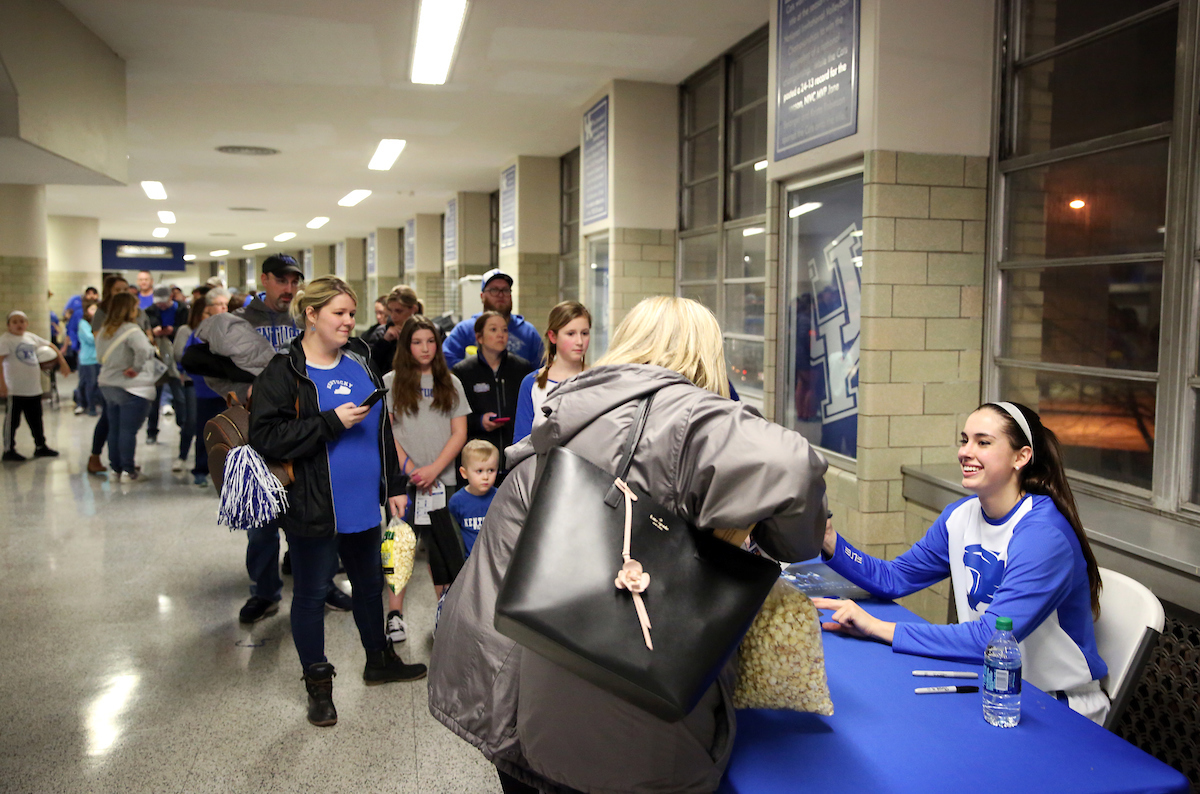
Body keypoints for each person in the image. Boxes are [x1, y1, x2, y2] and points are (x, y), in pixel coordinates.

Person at [428, 296, 829, 794]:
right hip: (604, 703)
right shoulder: (690, 415)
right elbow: (793, 467)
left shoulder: (578, 401)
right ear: (705, 354)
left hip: (506, 667)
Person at [812, 401, 1110, 725]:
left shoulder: (1043, 535)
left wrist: (878, 627)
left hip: (1055, 706)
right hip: (991, 685)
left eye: (983, 442)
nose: (966, 452)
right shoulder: (960, 516)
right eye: (964, 440)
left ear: (1021, 457)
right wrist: (830, 541)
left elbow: (989, 638)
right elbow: (894, 578)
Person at [248, 275, 427, 727]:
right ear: (311, 315)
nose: (350, 322)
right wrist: (328, 422)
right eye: (339, 314)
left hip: (364, 503)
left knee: (369, 587)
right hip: (314, 507)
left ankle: (379, 661)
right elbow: (266, 437)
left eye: (352, 313)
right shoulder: (285, 371)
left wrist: (397, 486)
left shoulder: (360, 361)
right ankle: (319, 686)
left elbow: (383, 429)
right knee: (310, 594)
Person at [197, 254, 351, 623]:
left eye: (294, 281)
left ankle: (323, 584)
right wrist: (246, 388)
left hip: (306, 431)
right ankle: (264, 593)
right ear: (264, 279)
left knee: (314, 516)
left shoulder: (307, 320)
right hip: (257, 435)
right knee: (262, 520)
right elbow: (203, 367)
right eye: (281, 281)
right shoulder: (238, 322)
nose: (289, 288)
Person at [382, 315, 470, 642]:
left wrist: (434, 470)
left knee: (442, 550)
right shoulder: (391, 382)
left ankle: (444, 612)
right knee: (400, 547)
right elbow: (388, 431)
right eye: (417, 342)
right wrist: (409, 467)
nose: (425, 348)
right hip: (404, 484)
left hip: (441, 481)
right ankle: (395, 614)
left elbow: (459, 433)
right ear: (406, 346)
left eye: (430, 341)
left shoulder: (451, 382)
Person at [451, 311, 533, 471]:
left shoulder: (522, 368)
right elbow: (454, 418)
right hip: (478, 461)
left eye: (504, 330)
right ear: (479, 337)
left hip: (514, 456)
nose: (501, 335)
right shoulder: (463, 372)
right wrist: (479, 421)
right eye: (494, 330)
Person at [95, 293, 157, 482]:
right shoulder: (132, 330)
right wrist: (136, 368)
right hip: (132, 387)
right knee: (128, 430)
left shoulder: (104, 330)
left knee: (115, 428)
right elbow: (145, 350)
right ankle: (129, 470)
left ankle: (116, 468)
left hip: (108, 384)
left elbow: (99, 358)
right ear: (130, 309)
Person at [512, 301, 591, 443]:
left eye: (584, 333)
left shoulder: (599, 379)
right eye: (571, 333)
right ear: (553, 336)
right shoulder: (532, 383)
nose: (579, 341)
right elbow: (520, 445)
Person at [1, 310, 68, 461]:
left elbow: (51, 345)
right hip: (15, 389)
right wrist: (2, 384)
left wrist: (62, 362)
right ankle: (8, 449)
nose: (19, 324)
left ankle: (40, 446)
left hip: (33, 389)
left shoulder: (30, 337)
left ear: (27, 323)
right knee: (12, 422)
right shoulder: (6, 340)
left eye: (22, 321)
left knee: (36, 420)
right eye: (15, 322)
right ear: (8, 325)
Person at [441, 269, 543, 369]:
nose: (501, 295)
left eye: (505, 290)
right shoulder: (465, 330)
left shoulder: (528, 333)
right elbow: (446, 360)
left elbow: (541, 368)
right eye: (494, 290)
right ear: (482, 296)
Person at [178, 288, 228, 486]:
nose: (224, 308)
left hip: (229, 392)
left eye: (226, 304)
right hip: (206, 390)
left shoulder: (233, 330)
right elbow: (190, 360)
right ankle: (201, 468)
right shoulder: (200, 332)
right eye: (220, 305)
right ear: (209, 308)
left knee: (228, 432)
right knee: (205, 431)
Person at [145, 284, 186, 446]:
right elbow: (147, 328)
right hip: (159, 358)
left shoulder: (182, 310)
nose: (161, 306)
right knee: (154, 398)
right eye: (158, 303)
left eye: (164, 302)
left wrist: (173, 330)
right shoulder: (150, 311)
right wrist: (153, 332)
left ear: (171, 297)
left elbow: (185, 328)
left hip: (176, 356)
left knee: (180, 396)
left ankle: (184, 427)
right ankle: (152, 431)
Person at [447, 439, 498, 558]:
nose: (485, 477)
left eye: (491, 470)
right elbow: (453, 534)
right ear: (464, 473)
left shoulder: (500, 497)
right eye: (479, 471)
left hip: (495, 560)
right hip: (469, 562)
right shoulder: (457, 501)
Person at [370, 285, 422, 375]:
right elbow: (370, 366)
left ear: (413, 309)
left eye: (399, 311)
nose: (393, 316)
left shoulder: (429, 332)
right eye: (390, 310)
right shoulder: (381, 333)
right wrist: (385, 342)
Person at [76, 301, 101, 417]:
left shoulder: (99, 323)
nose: (94, 312)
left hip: (99, 358)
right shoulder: (83, 324)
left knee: (99, 384)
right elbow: (91, 339)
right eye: (92, 309)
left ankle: (98, 404)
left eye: (96, 309)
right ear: (86, 311)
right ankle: (91, 407)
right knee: (90, 383)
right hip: (88, 359)